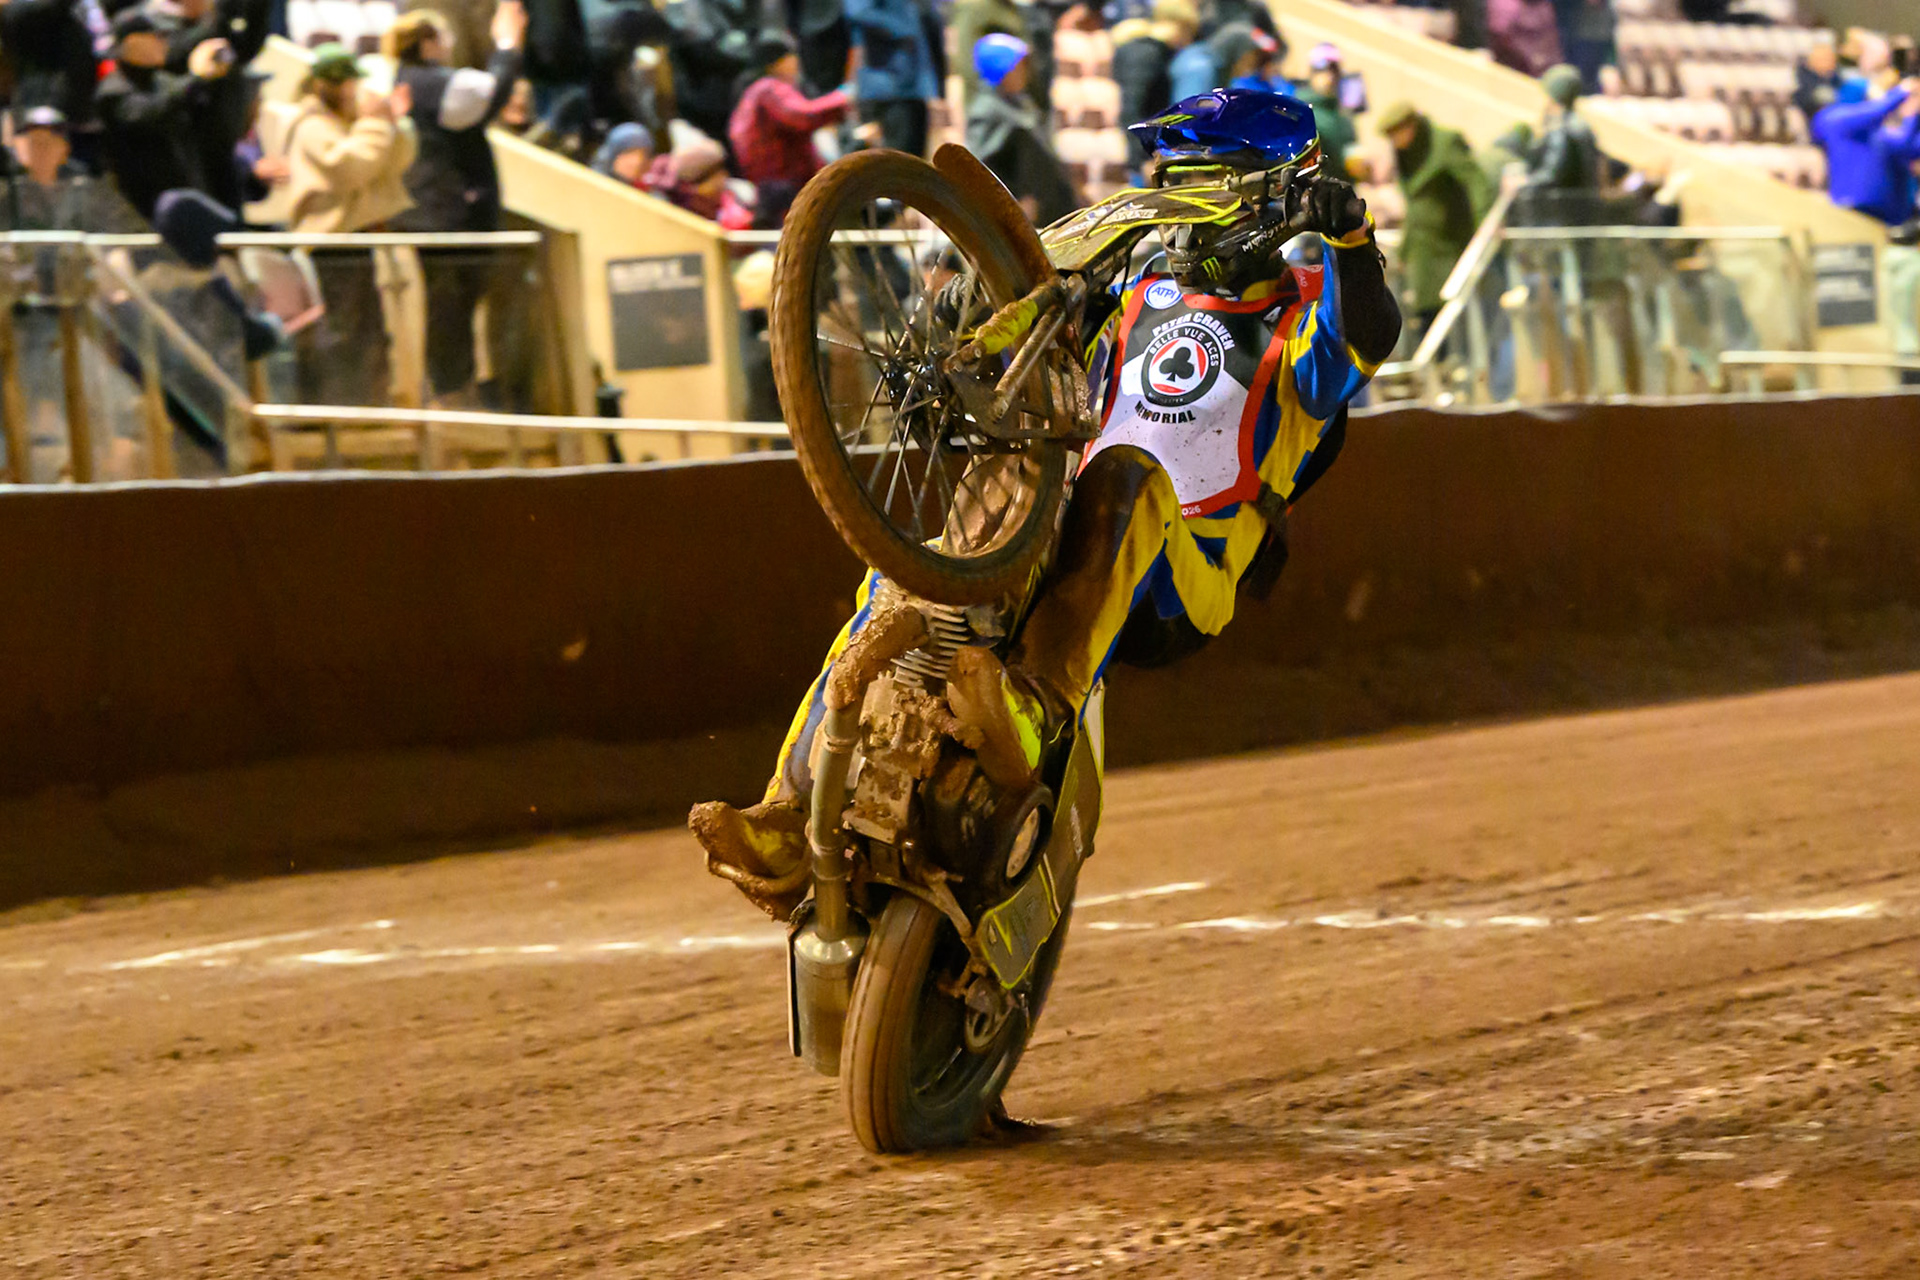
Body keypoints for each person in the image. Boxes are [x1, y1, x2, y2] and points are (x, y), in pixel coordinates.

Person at [690, 89, 1401, 913]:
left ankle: (1030, 712)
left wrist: (1349, 235)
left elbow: (1367, 336)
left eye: (1198, 185)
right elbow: (1037, 361)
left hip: (1183, 574)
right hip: (1070, 525)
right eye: (1167, 184)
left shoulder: (1301, 325)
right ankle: (789, 810)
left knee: (1128, 470)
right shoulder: (1132, 296)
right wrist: (974, 313)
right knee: (925, 562)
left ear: (1264, 194)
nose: (1174, 215)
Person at [386, 3, 527, 408]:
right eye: (442, 38)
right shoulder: (433, 83)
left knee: (453, 304)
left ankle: (453, 386)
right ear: (428, 43)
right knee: (451, 304)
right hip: (445, 213)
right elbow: (490, 94)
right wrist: (506, 46)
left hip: (432, 211)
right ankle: (449, 390)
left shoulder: (406, 79)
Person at [283, 44, 417, 405]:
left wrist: (393, 124)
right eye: (346, 84)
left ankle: (371, 401)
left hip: (356, 237)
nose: (353, 91)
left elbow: (390, 165)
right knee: (344, 327)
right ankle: (342, 406)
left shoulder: (347, 122)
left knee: (368, 326)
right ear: (326, 85)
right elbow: (350, 168)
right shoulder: (311, 125)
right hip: (332, 243)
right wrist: (375, 124)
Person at [149, 0, 275, 213]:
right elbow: (199, 44)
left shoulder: (215, 26)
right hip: (188, 150)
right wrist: (222, 11)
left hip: (225, 148)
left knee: (229, 224)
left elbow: (247, 45)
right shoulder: (159, 25)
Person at [95, 9, 222, 220]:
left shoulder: (163, 81)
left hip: (186, 205)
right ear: (133, 41)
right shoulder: (113, 91)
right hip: (144, 213)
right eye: (158, 36)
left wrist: (212, 78)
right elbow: (151, 113)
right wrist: (197, 78)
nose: (166, 42)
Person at [1377, 101, 1490, 332]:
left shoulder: (1445, 142)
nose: (1394, 142)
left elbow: (1477, 184)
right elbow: (1414, 204)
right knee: (1424, 317)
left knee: (1451, 320)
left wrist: (1484, 228)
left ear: (1410, 126)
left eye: (1395, 134)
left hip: (1449, 246)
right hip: (1421, 249)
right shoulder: (1406, 155)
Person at [728, 30, 853, 225]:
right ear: (777, 61)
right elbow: (802, 116)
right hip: (783, 189)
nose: (796, 62)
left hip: (772, 188)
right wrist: (844, 98)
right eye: (791, 56)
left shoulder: (753, 92)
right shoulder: (768, 89)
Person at [965, 33, 1077, 225]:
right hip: (1017, 217)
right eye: (1019, 66)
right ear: (1001, 69)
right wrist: (1015, 201)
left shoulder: (1022, 103)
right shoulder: (986, 111)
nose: (1025, 72)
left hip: (1049, 208)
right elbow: (981, 166)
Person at [0, 106, 146, 231]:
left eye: (48, 144)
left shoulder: (90, 192)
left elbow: (118, 239)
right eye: (34, 144)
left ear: (64, 149)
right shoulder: (9, 196)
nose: (40, 151)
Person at [846, 0, 945, 157]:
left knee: (915, 164)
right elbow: (859, 11)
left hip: (914, 87)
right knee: (894, 165)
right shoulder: (906, 27)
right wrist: (904, 29)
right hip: (887, 87)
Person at [1111, 0, 1198, 171]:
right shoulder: (1147, 54)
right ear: (1180, 27)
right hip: (1141, 158)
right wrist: (1143, 158)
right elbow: (1131, 108)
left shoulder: (1157, 53)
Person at [645, 135, 754, 228]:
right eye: (717, 175)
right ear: (695, 186)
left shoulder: (734, 194)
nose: (723, 178)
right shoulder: (680, 215)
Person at [951, 0, 1029, 111]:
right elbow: (967, 57)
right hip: (989, 96)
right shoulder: (974, 6)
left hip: (1014, 92)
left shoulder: (1011, 6)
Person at [1168, 21, 1272, 103]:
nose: (1256, 65)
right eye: (1256, 56)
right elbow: (1186, 119)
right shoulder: (1199, 68)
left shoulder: (1220, 69)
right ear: (1236, 51)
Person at [1294, 43, 1355, 178]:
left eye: (1334, 70)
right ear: (1311, 73)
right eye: (1321, 69)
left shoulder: (1342, 115)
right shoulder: (1300, 110)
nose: (1329, 76)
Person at [1487, 0, 1562, 78]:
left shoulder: (1544, 7)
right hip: (1513, 73)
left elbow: (1550, 41)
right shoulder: (1506, 6)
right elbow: (1501, 39)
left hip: (1545, 72)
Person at [1794, 34, 1845, 126]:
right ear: (1811, 61)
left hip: (1839, 117)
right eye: (1823, 59)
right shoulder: (1803, 79)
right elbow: (1806, 102)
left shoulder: (1837, 78)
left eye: (1831, 58)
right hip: (1817, 121)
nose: (1829, 61)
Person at [591, 121, 655, 187]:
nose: (637, 162)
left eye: (644, 155)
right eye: (629, 152)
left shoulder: (647, 192)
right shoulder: (592, 183)